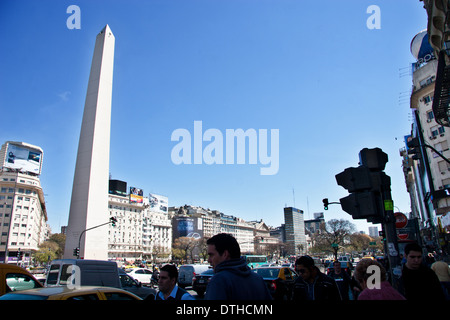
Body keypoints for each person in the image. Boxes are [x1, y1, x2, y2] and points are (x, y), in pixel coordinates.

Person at [204, 233, 272, 300]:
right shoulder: (258, 279)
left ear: (225, 254)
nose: (208, 260)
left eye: (211, 255)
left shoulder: (219, 281)